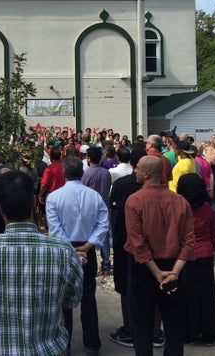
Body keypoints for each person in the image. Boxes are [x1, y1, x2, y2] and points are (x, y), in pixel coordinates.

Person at [0, 170, 84, 356]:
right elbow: (72, 299)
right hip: (48, 349)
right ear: (34, 203)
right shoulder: (63, 252)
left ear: (0, 208)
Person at [124, 155, 195, 356]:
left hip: (143, 269)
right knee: (174, 324)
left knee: (142, 324)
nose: (135, 171)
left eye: (137, 168)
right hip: (174, 267)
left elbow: (138, 244)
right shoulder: (181, 201)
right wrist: (174, 272)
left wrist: (157, 273)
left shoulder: (135, 200)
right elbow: (189, 242)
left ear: (146, 173)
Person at [46, 155, 107, 354]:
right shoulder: (94, 196)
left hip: (65, 252)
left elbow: (55, 230)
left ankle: (65, 344)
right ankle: (92, 343)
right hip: (86, 250)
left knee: (64, 300)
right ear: (81, 173)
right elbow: (103, 224)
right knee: (88, 296)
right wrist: (88, 246)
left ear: (64, 173)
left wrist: (73, 250)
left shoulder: (54, 197)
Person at [108, 147, 145, 348]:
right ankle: (155, 331)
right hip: (149, 243)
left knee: (125, 286)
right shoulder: (160, 187)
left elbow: (112, 205)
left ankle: (129, 329)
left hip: (124, 241)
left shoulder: (121, 184)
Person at [177, 173, 215, 345]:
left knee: (188, 296)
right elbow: (213, 232)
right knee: (207, 295)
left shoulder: (179, 208)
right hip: (205, 254)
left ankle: (190, 332)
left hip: (185, 256)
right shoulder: (207, 208)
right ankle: (209, 333)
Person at [81, 146, 112, 275]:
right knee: (104, 234)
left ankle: (88, 260)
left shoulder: (87, 173)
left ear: (88, 158)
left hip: (90, 206)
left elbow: (82, 190)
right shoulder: (106, 172)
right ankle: (106, 265)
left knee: (89, 234)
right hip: (104, 204)